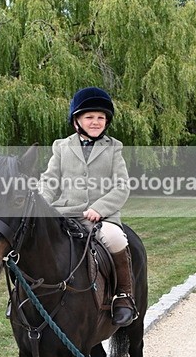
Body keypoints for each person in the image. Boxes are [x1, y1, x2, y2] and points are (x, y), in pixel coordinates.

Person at [39, 86, 136, 328]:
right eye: (89, 117)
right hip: (66, 213)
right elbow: (50, 181)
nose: (95, 122)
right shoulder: (62, 146)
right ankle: (26, 296)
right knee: (33, 239)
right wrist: (41, 204)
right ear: (76, 121)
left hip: (101, 217)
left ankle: (123, 295)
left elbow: (122, 186)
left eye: (101, 117)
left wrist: (100, 208)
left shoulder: (114, 148)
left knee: (115, 239)